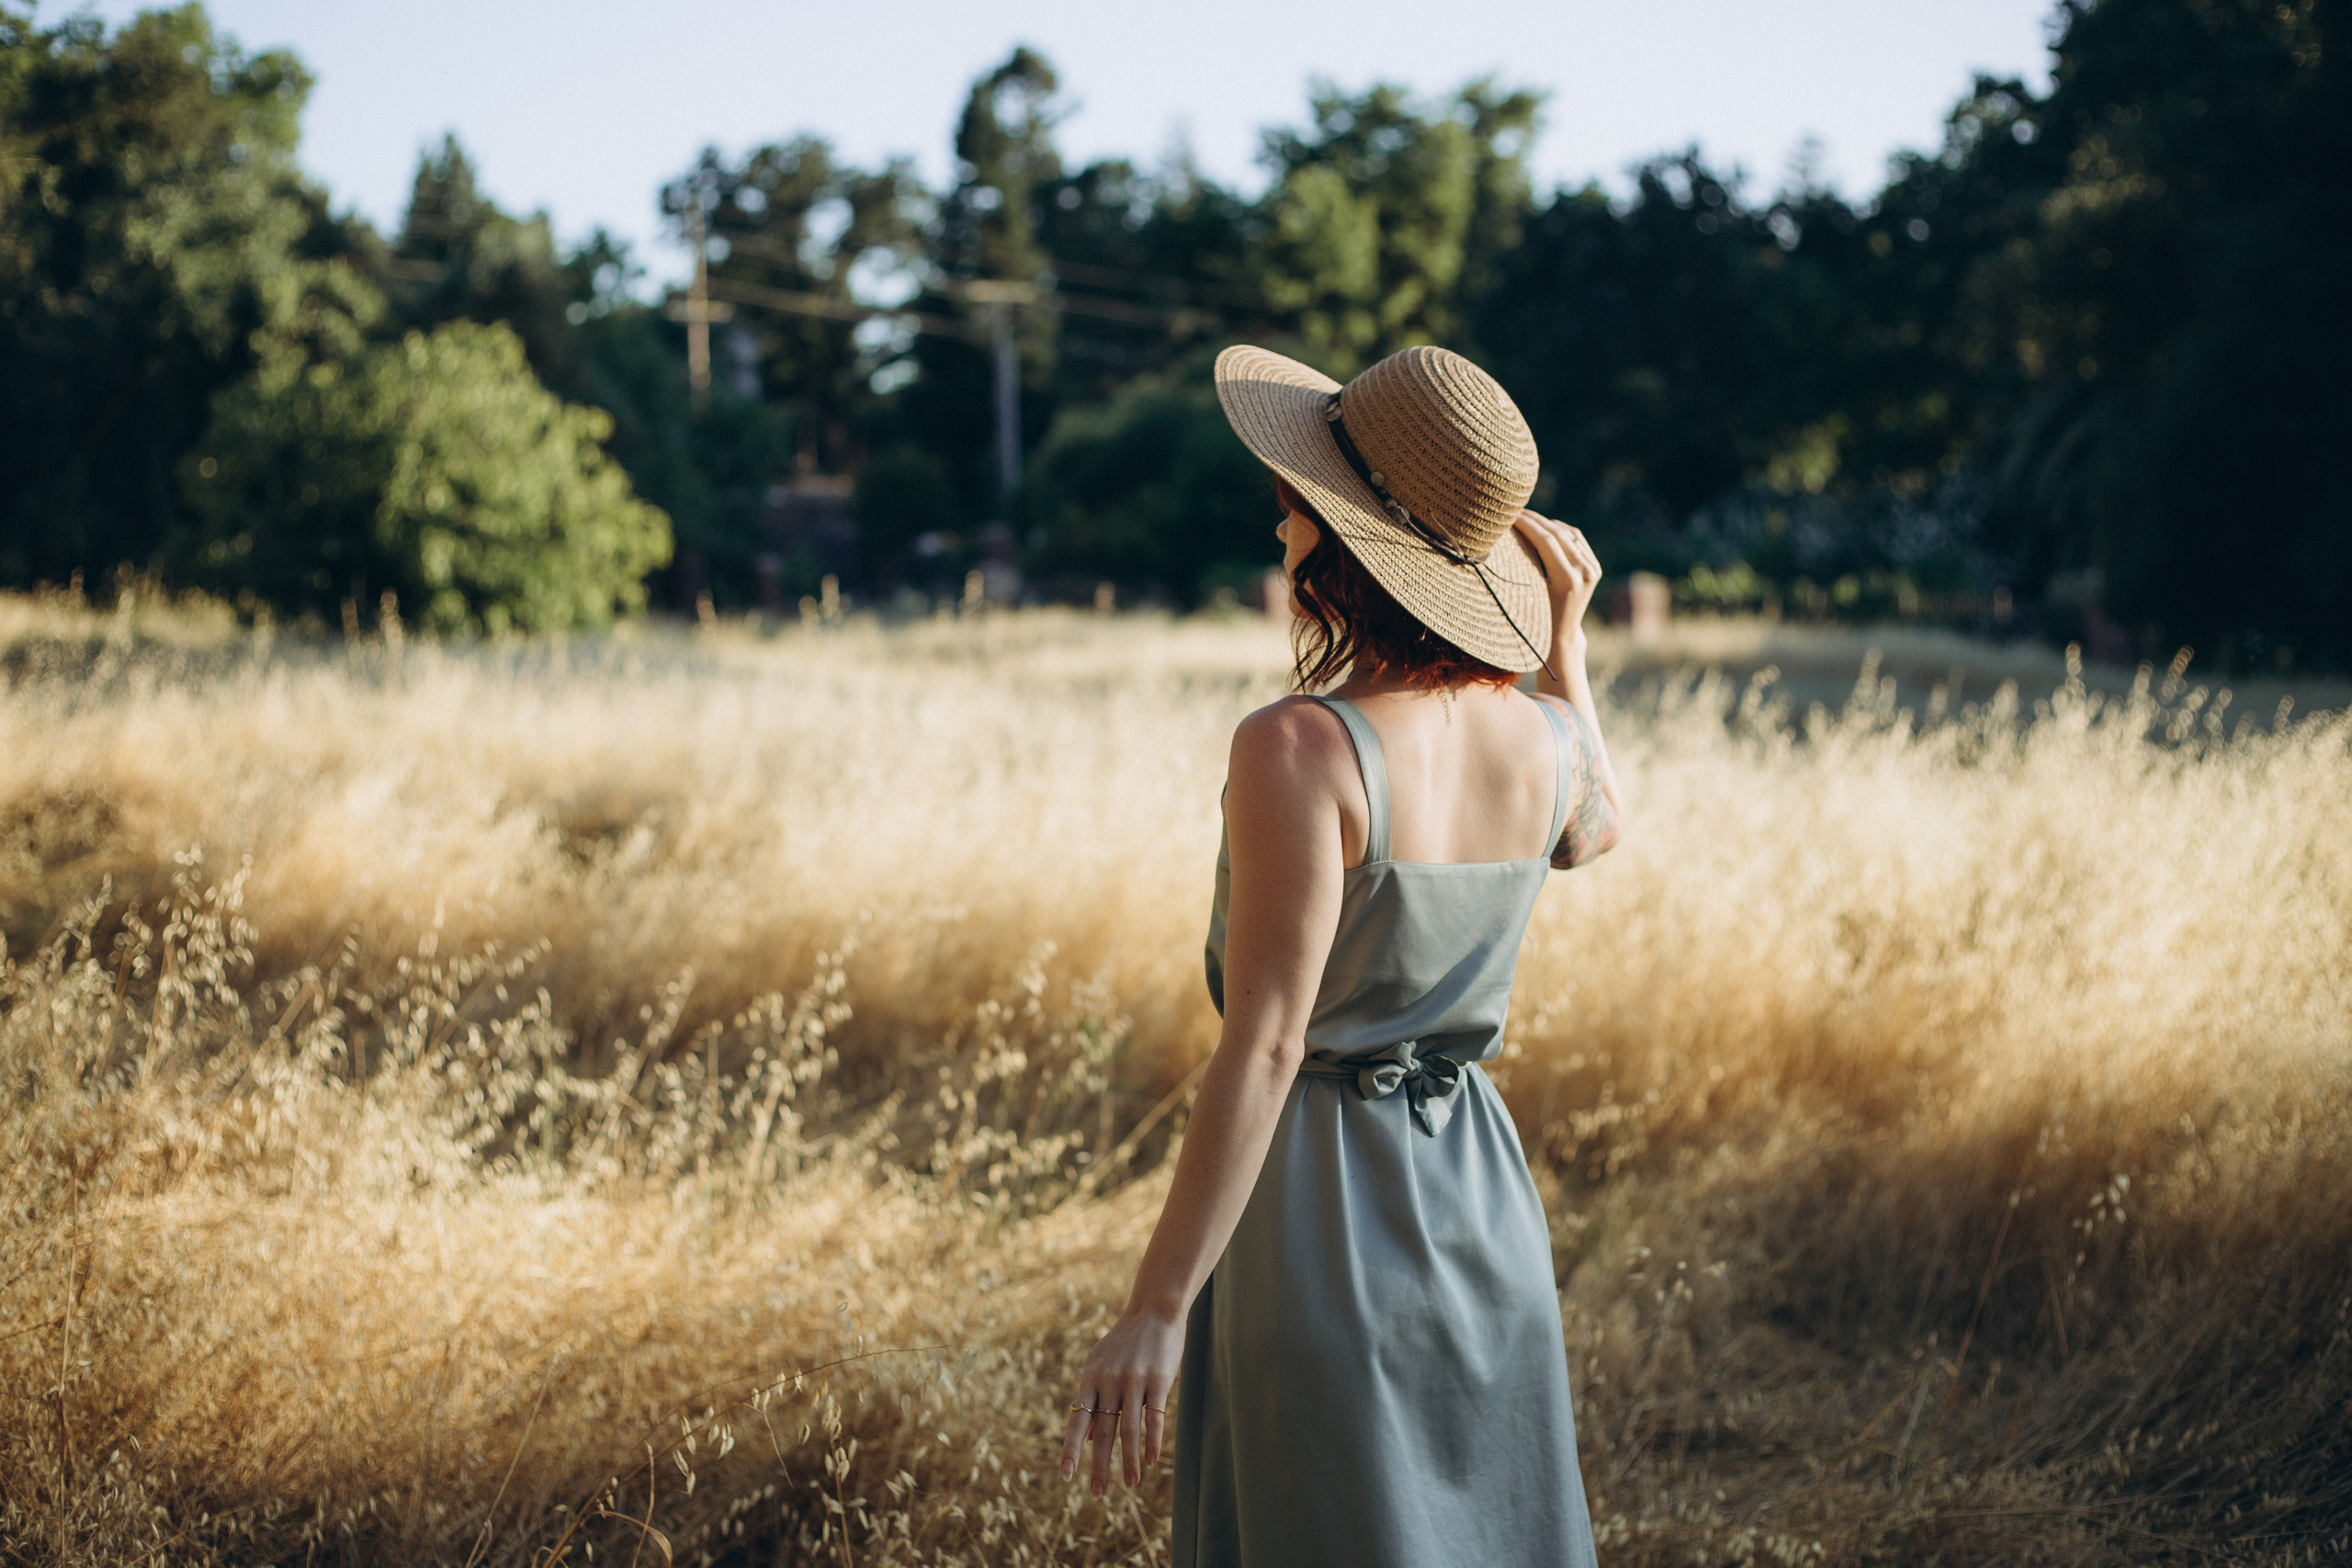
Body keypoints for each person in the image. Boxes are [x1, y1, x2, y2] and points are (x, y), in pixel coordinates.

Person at [1057, 343, 1623, 1565]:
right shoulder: (1538, 741)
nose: (1279, 532)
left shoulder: (1298, 748)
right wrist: (1564, 648)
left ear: (1346, 541)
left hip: (1321, 1216)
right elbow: (1596, 829)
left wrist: (1155, 1309)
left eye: (1294, 508)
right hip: (1483, 1209)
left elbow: (1266, 1043)